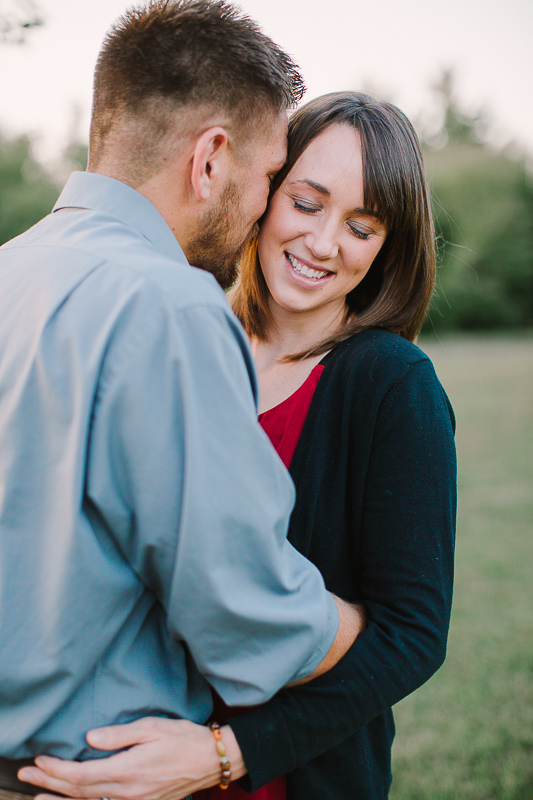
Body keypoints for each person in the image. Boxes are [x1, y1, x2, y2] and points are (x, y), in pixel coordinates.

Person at [21, 92, 457, 800]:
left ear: (386, 249)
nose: (321, 244)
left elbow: (411, 636)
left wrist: (228, 753)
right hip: (125, 757)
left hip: (276, 775)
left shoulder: (390, 384)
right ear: (263, 193)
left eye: (361, 226)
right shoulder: (182, 335)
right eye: (306, 203)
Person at [0, 5, 369, 798]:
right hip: (92, 777)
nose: (265, 202)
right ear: (211, 159)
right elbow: (243, 612)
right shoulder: (169, 304)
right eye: (272, 174)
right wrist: (369, 625)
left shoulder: (11, 269)